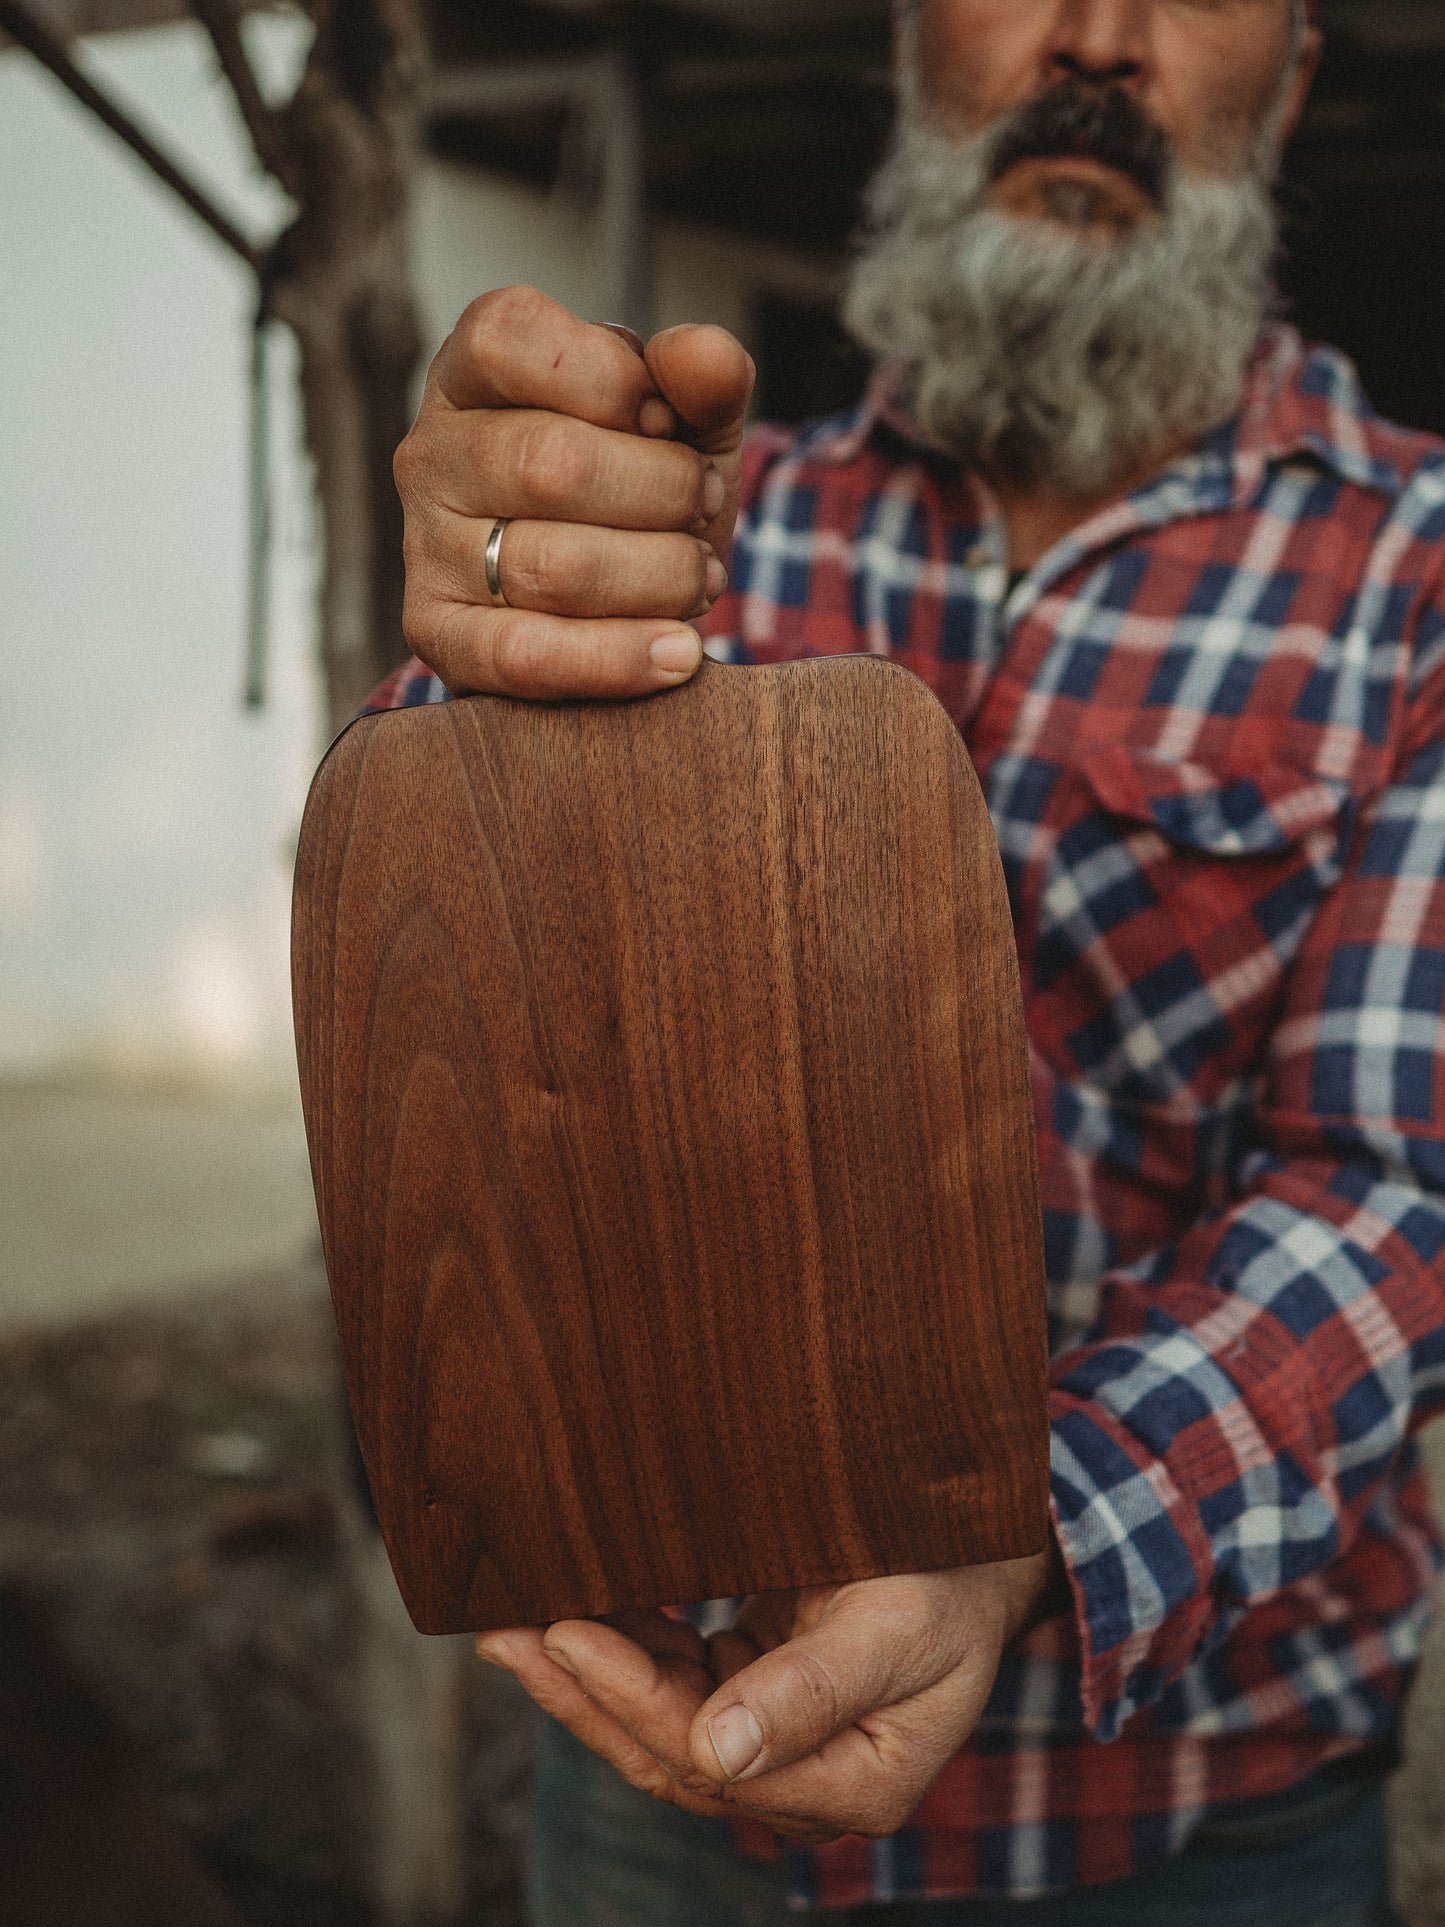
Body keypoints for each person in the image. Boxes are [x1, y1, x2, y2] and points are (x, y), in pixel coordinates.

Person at [378, 1, 1445, 1921]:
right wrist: (484, 635)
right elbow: (456, 1022)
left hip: (1196, 1815)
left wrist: (1021, 1528)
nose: (1100, 38)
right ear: (904, 45)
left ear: (1285, 80)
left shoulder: (1416, 579)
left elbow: (1399, 1179)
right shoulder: (690, 518)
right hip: (653, 1748)